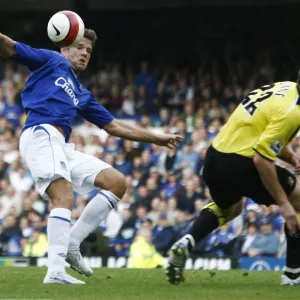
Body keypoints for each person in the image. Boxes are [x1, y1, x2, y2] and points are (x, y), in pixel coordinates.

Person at [0, 30, 183, 284]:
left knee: (116, 182)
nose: (86, 52)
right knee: (63, 196)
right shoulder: (52, 60)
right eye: (80, 47)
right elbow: (9, 48)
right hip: (40, 133)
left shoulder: (81, 91)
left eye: (89, 50)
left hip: (60, 145)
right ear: (65, 48)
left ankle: (72, 241)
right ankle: (55, 271)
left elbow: (114, 126)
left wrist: (156, 137)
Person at [166, 80, 300, 286]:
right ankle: (293, 275)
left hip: (215, 157)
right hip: (242, 163)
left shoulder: (284, 87)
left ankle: (186, 242)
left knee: (230, 209)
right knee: (297, 200)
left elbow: (264, 135)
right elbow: (262, 159)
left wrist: (292, 158)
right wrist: (284, 204)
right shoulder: (294, 112)